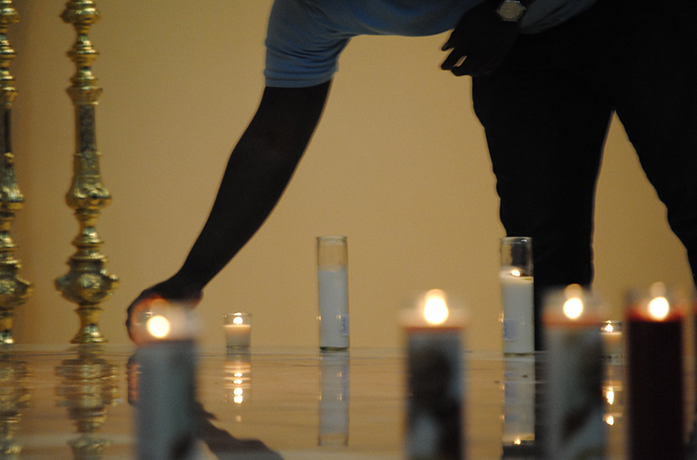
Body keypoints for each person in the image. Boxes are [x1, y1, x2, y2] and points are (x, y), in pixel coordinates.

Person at [127, 0, 697, 343]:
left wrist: (506, 8)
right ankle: (553, 450)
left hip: (637, 15)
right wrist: (190, 279)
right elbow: (271, 141)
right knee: (540, 248)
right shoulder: (306, 12)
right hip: (519, 45)